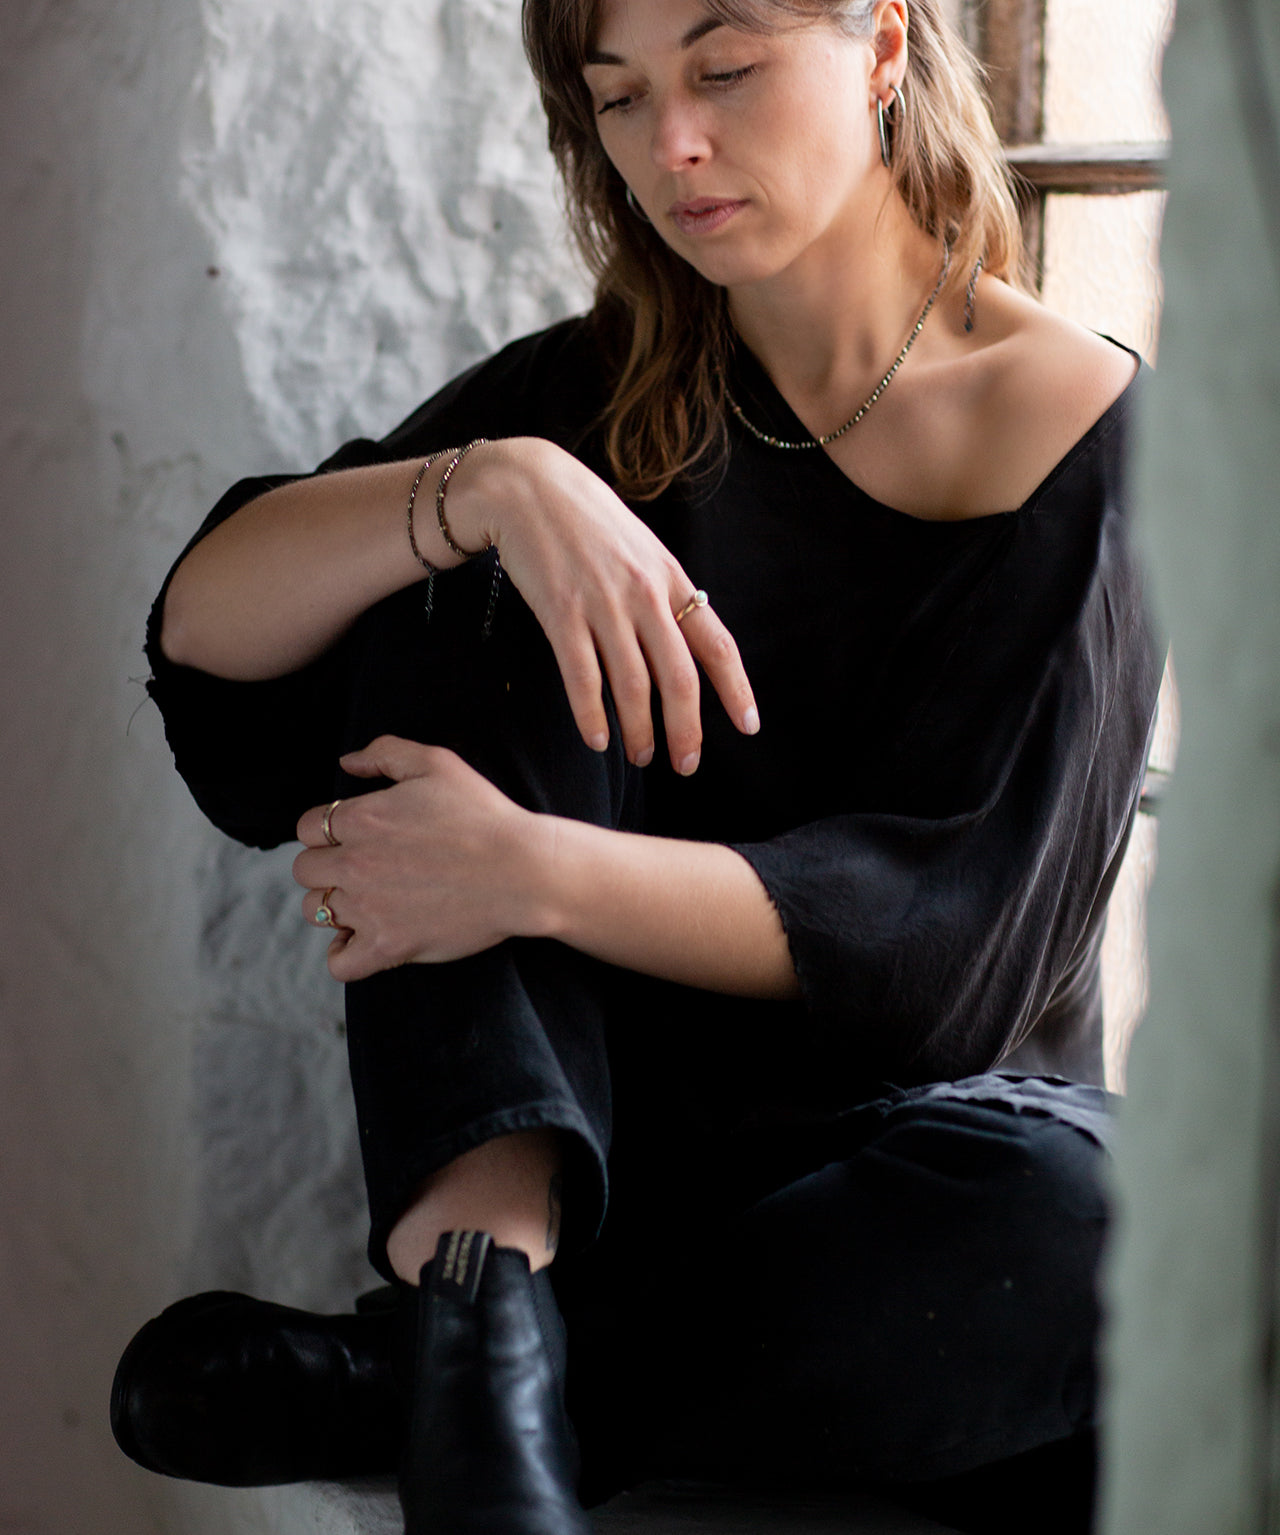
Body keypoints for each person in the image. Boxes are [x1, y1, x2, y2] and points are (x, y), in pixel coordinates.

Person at [110, 0, 1161, 1531]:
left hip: (931, 1188)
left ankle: (442, 1376)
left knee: (1115, 1228)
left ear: (882, 49)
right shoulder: (593, 402)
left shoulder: (1080, 428)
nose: (672, 145)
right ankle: (488, 1285)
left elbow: (955, 949)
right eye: (619, 97)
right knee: (457, 588)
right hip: (614, 1180)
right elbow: (207, 650)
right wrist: (495, 483)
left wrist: (531, 875)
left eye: (725, 70)